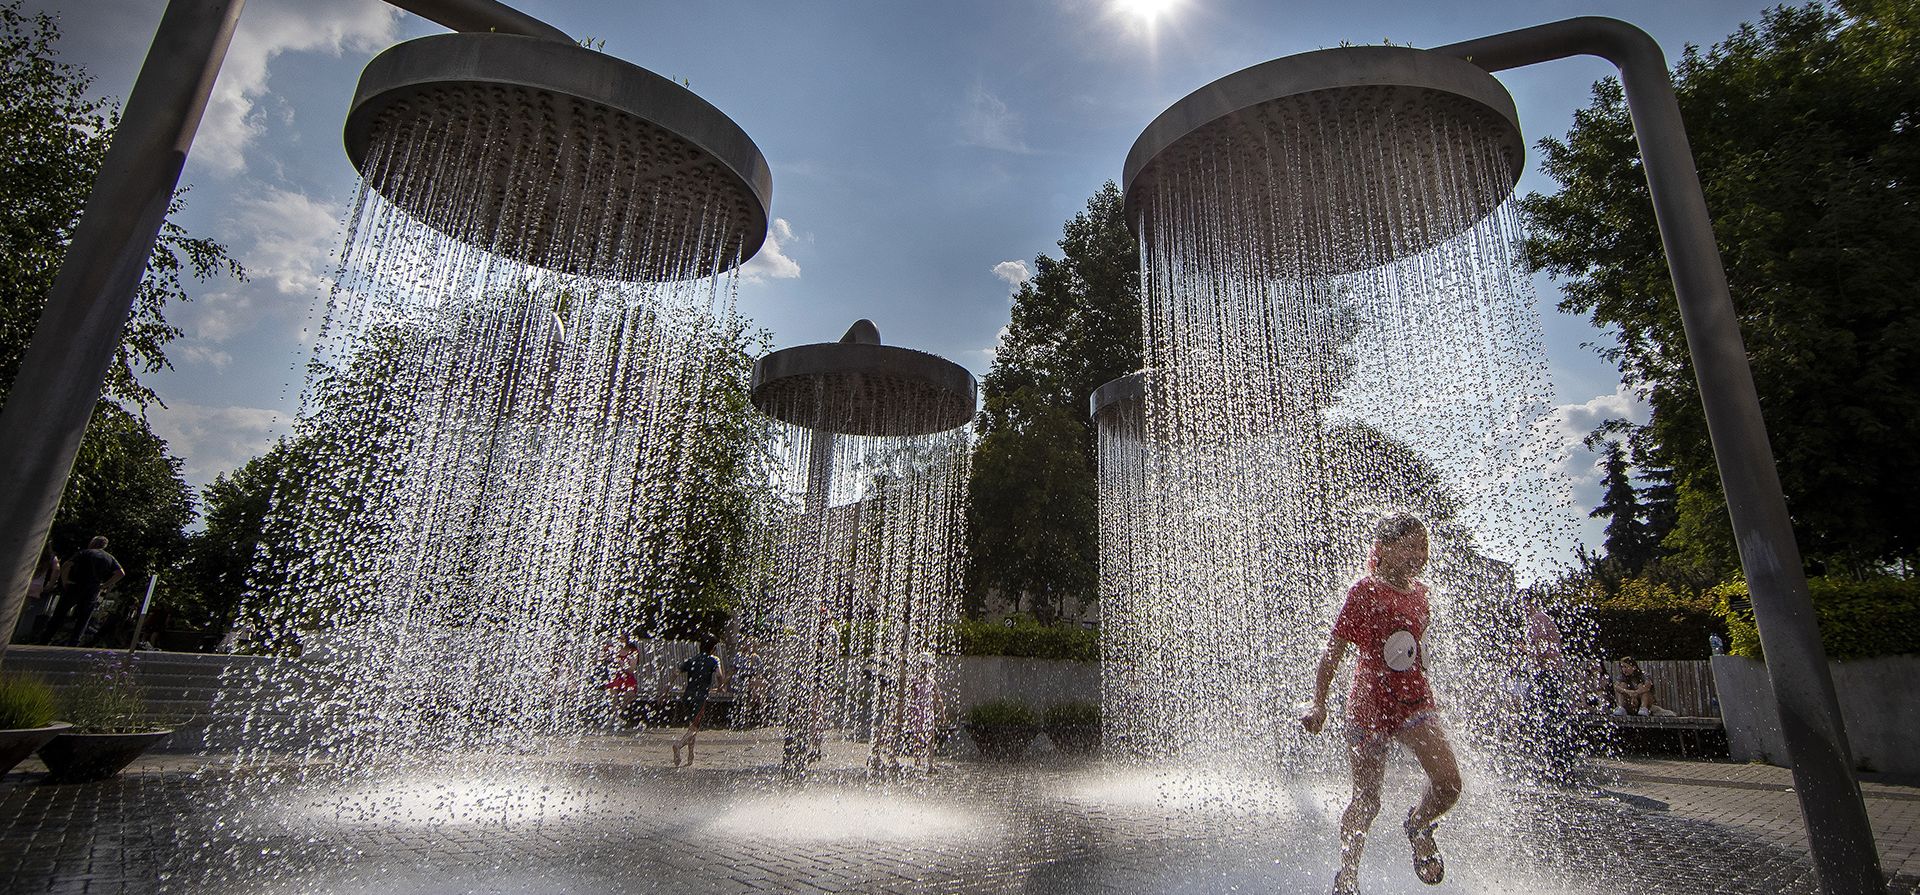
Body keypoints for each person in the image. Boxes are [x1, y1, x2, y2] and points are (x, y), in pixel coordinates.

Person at [1301, 514, 1461, 894]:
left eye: (1423, 546)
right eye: (1409, 545)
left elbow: (1412, 649)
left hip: (1413, 701)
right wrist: (1318, 702)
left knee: (1449, 783)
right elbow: (1334, 650)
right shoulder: (1364, 591)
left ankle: (1419, 824)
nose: (1419, 554)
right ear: (1384, 548)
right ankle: (1348, 873)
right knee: (1367, 800)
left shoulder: (1423, 595)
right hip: (1369, 706)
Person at [49, 537, 123, 647]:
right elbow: (120, 573)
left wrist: (65, 581)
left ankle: (46, 637)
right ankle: (74, 642)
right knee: (84, 618)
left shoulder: (84, 553)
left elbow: (66, 565)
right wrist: (104, 585)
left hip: (76, 585)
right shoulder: (109, 558)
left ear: (92, 543)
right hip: (93, 589)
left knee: (60, 612)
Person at [672, 638, 728, 767]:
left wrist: (665, 691)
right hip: (700, 698)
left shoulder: (692, 660)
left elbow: (676, 672)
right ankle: (679, 745)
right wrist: (721, 687)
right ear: (712, 649)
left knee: (692, 726)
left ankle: (690, 756)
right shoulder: (714, 660)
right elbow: (719, 676)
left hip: (687, 697)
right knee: (694, 730)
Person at [14, 543, 58, 643]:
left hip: (20, 583)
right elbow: (56, 569)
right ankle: (13, 635)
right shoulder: (51, 557)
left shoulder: (29, 550)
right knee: (21, 612)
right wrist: (50, 584)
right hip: (35, 586)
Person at [600, 637, 641, 728]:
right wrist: (605, 656)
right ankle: (617, 717)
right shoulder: (612, 648)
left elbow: (631, 670)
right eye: (618, 639)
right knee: (611, 691)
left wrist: (621, 663)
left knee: (629, 694)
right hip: (614, 677)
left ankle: (614, 716)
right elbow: (598, 658)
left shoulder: (632, 651)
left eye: (622, 639)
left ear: (627, 640)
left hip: (628, 678)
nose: (620, 641)